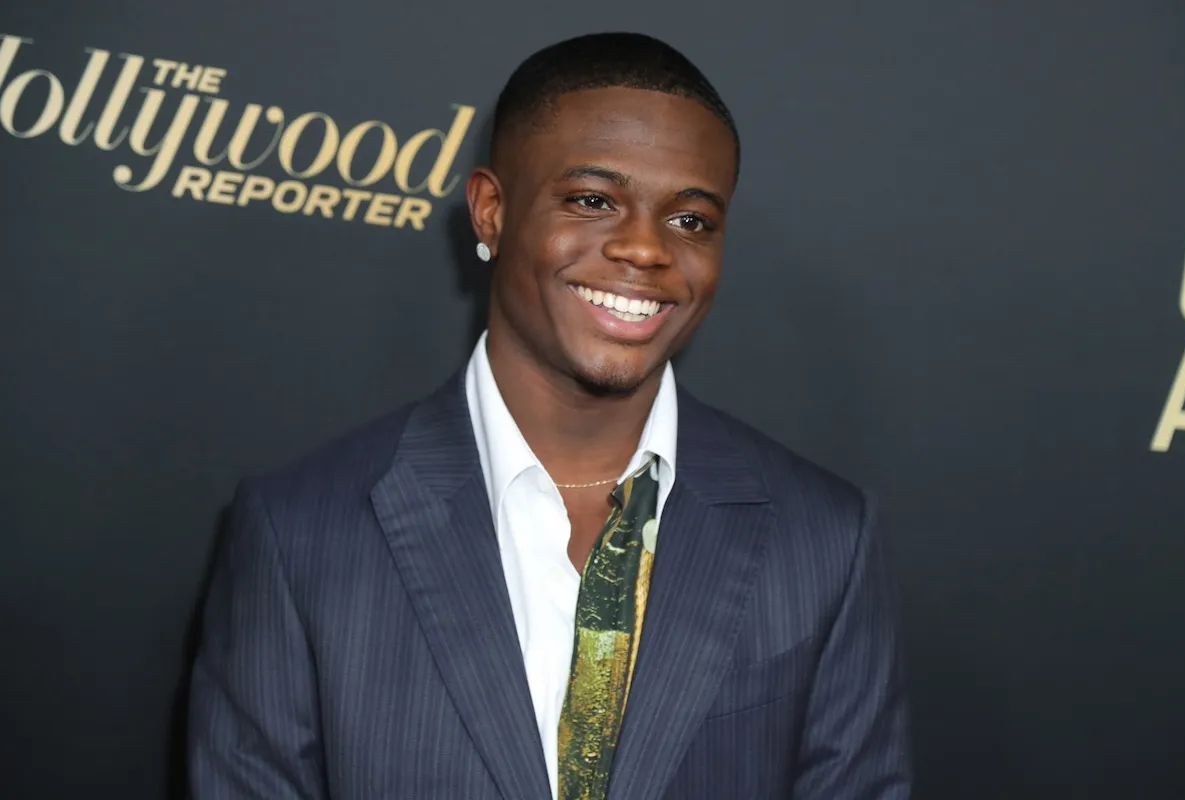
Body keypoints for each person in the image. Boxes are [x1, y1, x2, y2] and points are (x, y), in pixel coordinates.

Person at [188, 31, 912, 800]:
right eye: (593, 201)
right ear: (491, 212)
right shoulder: (300, 534)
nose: (645, 248)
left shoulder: (824, 539)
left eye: (691, 219)